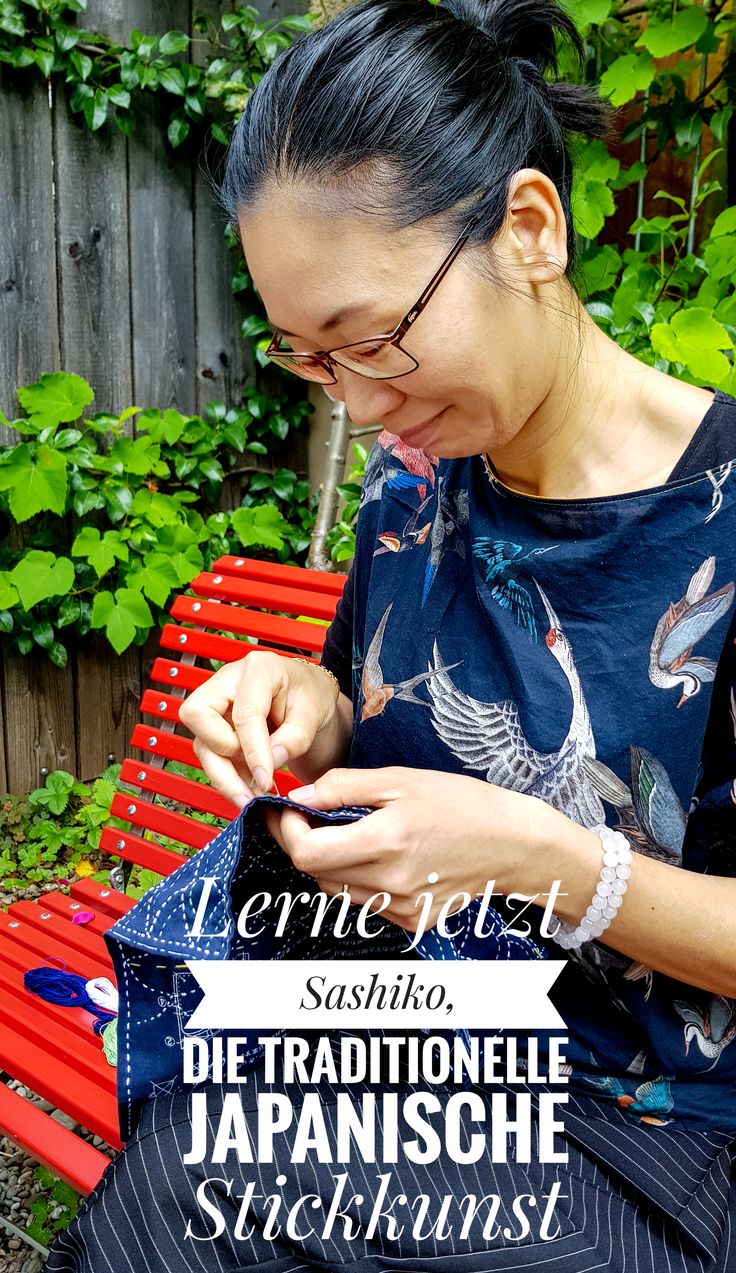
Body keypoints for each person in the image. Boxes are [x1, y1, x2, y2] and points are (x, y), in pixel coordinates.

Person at [46, 0, 736, 1269]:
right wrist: (306, 703)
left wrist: (556, 863)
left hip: (652, 1132)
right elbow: (386, 719)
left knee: (191, 1197)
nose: (362, 407)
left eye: (374, 339)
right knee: (177, 1180)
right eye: (313, 362)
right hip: (414, 1032)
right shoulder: (416, 487)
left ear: (528, 230)